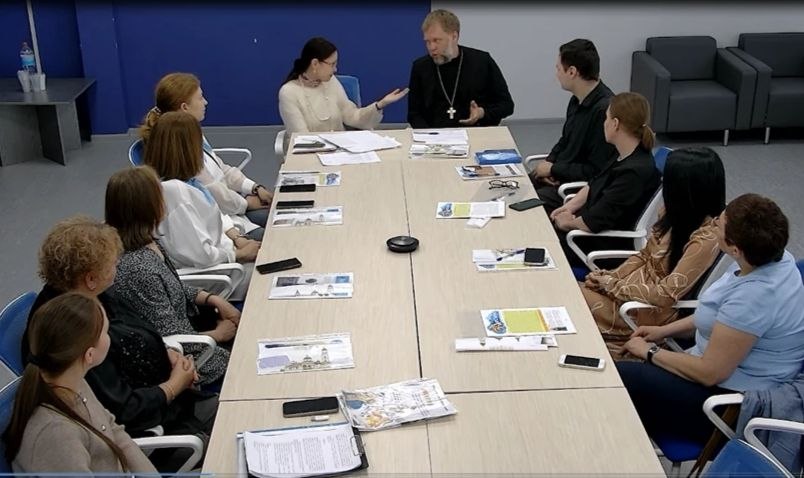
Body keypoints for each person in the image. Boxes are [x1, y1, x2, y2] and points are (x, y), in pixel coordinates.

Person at [20, 215, 217, 469]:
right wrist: (173, 386)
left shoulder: (92, 297)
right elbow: (123, 411)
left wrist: (167, 351)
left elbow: (136, 329)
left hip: (164, 398)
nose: (117, 267)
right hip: (156, 424)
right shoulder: (73, 335)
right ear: (90, 278)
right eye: (113, 264)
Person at [619, 194, 804, 448]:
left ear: (734, 249)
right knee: (628, 376)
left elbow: (710, 373)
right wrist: (663, 331)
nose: (715, 222)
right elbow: (715, 314)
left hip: (728, 404)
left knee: (623, 380)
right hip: (718, 367)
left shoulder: (755, 297)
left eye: (720, 224)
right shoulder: (770, 258)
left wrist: (650, 352)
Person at [580, 147, 726, 354]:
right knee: (567, 294)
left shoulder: (705, 239)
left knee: (568, 298)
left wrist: (611, 285)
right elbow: (644, 256)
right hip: (628, 292)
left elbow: (665, 295)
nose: (663, 184)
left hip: (646, 311)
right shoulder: (672, 213)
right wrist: (611, 277)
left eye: (668, 180)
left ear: (683, 188)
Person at [106, 166, 240, 386]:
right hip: (193, 359)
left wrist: (212, 299)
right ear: (149, 207)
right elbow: (168, 337)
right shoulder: (140, 269)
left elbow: (172, 286)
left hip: (193, 331)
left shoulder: (149, 243)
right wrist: (218, 334)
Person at [4, 293, 157, 474]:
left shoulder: (72, 381)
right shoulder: (55, 435)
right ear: (89, 355)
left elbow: (113, 431)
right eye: (106, 332)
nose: (109, 336)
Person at [141, 72, 271, 241]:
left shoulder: (192, 133)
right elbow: (213, 193)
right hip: (221, 222)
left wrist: (254, 187)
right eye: (200, 98)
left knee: (277, 215)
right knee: (276, 232)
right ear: (184, 107)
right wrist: (247, 204)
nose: (206, 102)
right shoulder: (180, 152)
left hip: (230, 208)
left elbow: (221, 168)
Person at [143, 110, 259, 301]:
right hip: (217, 277)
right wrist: (239, 254)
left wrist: (238, 239)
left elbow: (214, 217)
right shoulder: (175, 193)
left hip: (225, 257)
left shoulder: (188, 183)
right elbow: (202, 255)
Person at [550, 92, 661, 266]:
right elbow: (594, 182)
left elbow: (595, 220)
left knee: (542, 241)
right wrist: (569, 206)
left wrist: (567, 224)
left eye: (606, 118)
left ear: (615, 124)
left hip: (598, 244)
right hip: (587, 231)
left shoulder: (633, 173)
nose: (604, 123)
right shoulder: (623, 154)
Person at [528, 39, 616, 211]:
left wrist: (554, 169)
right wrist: (549, 162)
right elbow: (565, 141)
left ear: (572, 72)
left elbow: (595, 170)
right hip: (562, 175)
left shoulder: (604, 112)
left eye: (558, 69)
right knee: (515, 189)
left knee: (525, 206)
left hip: (577, 190)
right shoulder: (576, 100)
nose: (556, 74)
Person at [407, 9, 514, 128]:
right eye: (427, 42)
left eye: (437, 40)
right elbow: (414, 114)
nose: (431, 47)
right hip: (434, 135)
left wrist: (481, 113)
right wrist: (429, 135)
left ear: (454, 36)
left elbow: (507, 105)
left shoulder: (482, 62)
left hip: (477, 132)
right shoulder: (420, 67)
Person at [279, 37, 408, 133]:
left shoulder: (331, 82)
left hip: (341, 152)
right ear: (315, 64)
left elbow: (352, 116)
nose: (335, 69)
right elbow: (300, 138)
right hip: (310, 155)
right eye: (332, 64)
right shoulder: (288, 92)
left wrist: (380, 105)